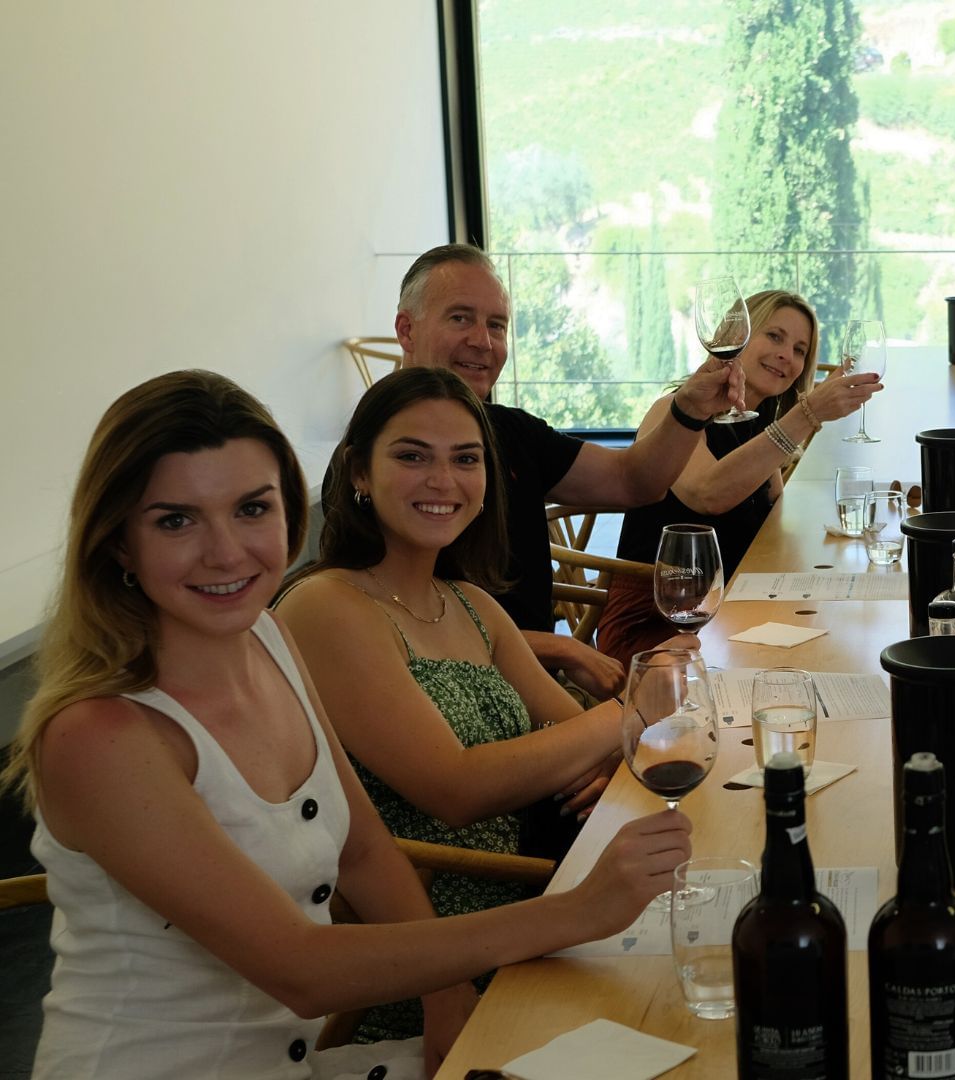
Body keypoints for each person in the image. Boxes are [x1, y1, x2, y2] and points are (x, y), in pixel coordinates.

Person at [2, 371, 691, 1079]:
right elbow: (300, 969)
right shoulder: (98, 736)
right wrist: (577, 912)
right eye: (175, 520)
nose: (227, 551)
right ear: (117, 542)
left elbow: (363, 849)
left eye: (251, 509)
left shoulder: (268, 640)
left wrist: (446, 991)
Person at [390, 243, 743, 701]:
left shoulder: (511, 431)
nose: (483, 341)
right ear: (406, 328)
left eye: (496, 325)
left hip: (536, 685)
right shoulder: (381, 460)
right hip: (453, 698)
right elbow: (401, 627)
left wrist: (690, 408)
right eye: (460, 318)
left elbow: (632, 480)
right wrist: (560, 650)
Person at [594, 289, 881, 668]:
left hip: (733, 612)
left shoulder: (756, 425)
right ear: (736, 337)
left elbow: (775, 521)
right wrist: (807, 415)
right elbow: (708, 494)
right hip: (663, 622)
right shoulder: (673, 413)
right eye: (775, 336)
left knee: (845, 650)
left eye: (799, 350)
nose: (786, 355)